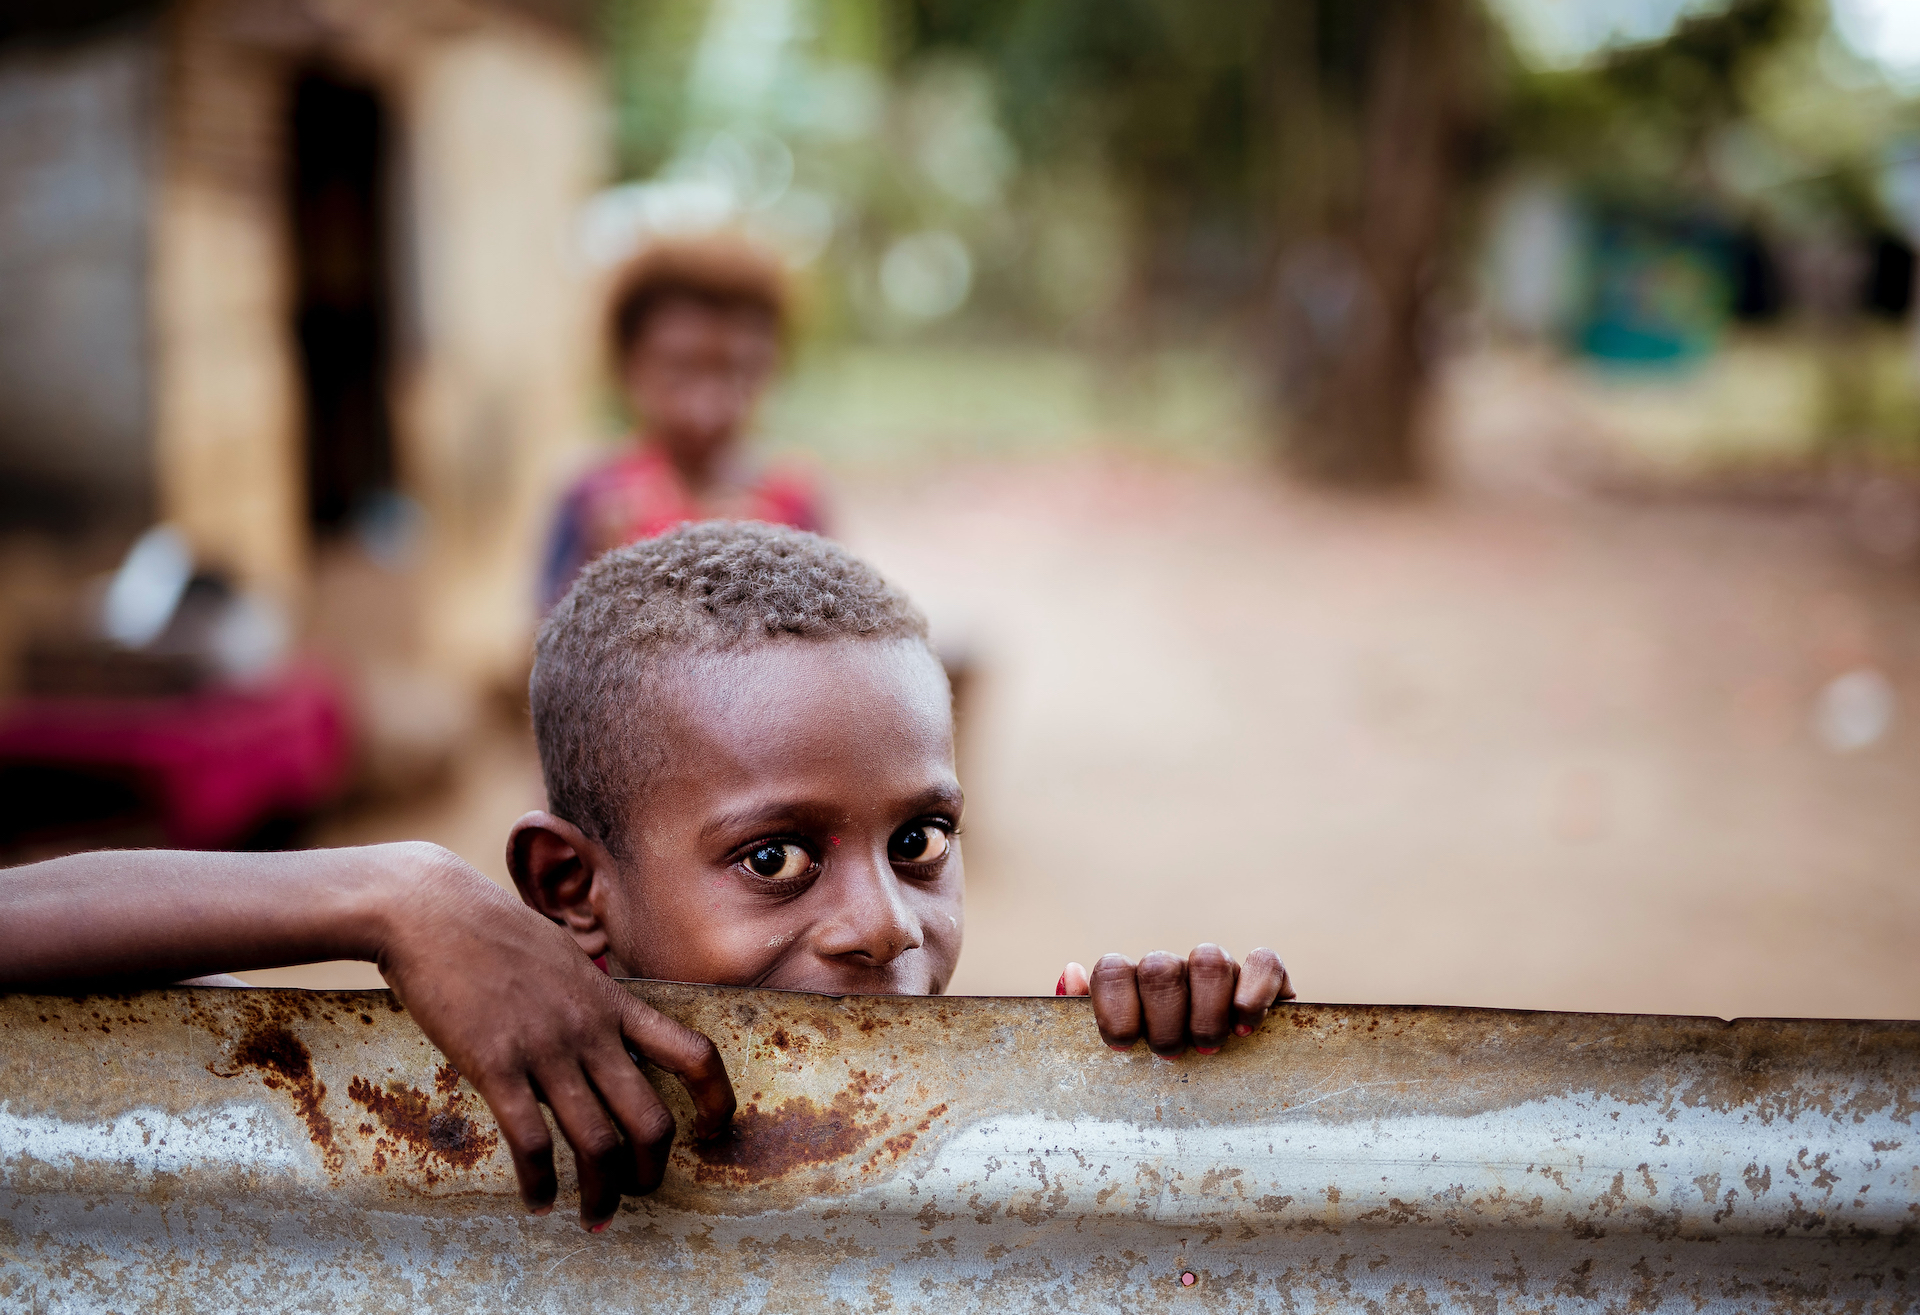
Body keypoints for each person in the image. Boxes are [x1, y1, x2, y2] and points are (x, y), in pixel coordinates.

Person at [0, 522, 1293, 1234]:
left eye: (920, 840)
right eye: (775, 858)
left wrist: (1162, 1081)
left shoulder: (979, 1108)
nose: (881, 925)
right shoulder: (457, 1081)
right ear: (572, 887)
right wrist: (393, 893)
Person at [539, 238, 827, 610]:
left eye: (738, 371)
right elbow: (544, 647)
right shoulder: (593, 501)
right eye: (680, 370)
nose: (706, 407)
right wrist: (604, 576)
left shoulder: (793, 504)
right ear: (630, 366)